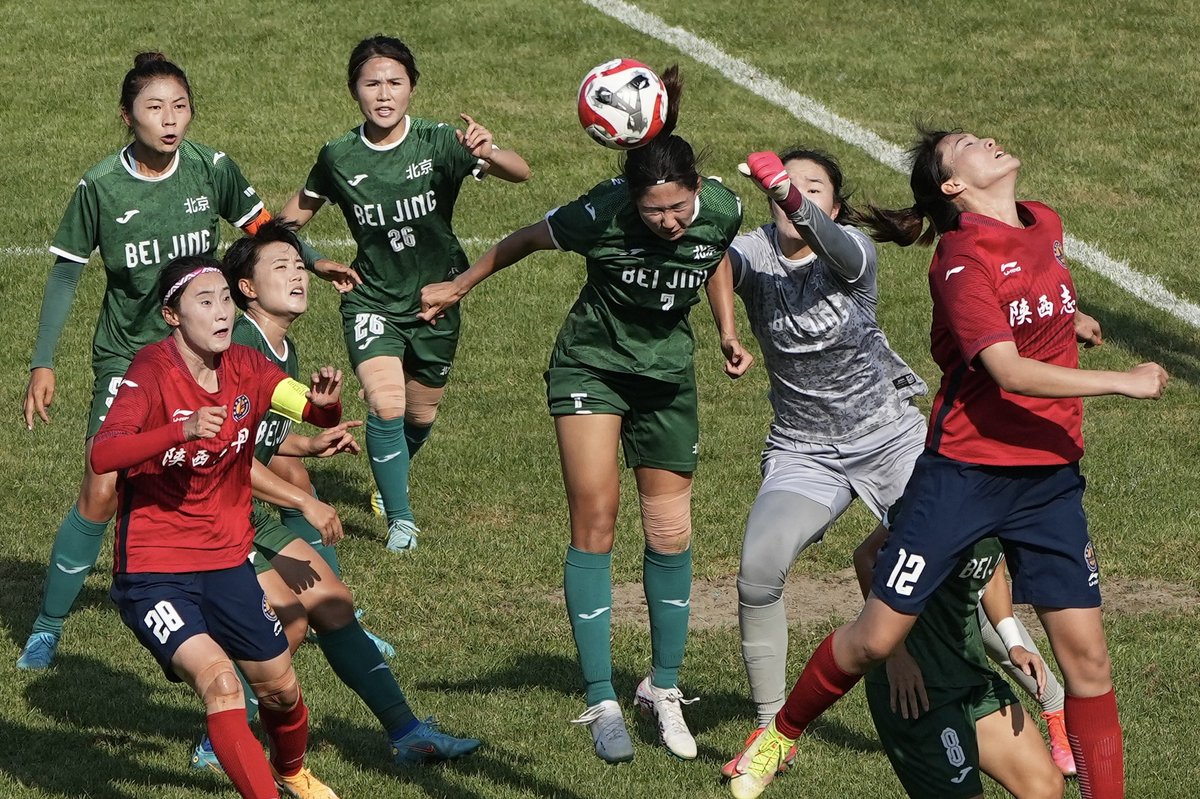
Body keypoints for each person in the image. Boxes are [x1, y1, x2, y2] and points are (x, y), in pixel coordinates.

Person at [725, 134, 1167, 799]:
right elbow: (1005, 370)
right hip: (965, 474)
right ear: (953, 186)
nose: (986, 140)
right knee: (876, 638)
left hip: (1048, 478)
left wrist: (1067, 314)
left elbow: (1031, 294)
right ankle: (781, 732)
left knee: (1090, 663)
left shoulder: (1045, 223)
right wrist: (1122, 381)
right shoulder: (960, 260)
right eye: (966, 145)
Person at [419, 65, 751, 764]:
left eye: (679, 208)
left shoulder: (721, 209)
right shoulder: (599, 212)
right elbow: (522, 239)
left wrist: (726, 329)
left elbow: (716, 253)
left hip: (666, 377)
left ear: (697, 189)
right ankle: (600, 696)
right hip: (591, 368)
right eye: (656, 211)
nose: (670, 222)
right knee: (595, 519)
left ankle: (662, 687)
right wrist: (460, 284)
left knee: (668, 529)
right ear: (633, 199)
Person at [17, 51, 347, 670]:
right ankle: (49, 622)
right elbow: (66, 275)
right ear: (127, 116)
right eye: (153, 108)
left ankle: (322, 612)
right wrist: (43, 362)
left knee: (242, 467)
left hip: (203, 356)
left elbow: (263, 227)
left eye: (180, 106)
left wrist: (311, 258)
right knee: (103, 486)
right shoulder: (101, 186)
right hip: (131, 359)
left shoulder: (210, 168)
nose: (170, 120)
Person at [188, 221, 481, 771]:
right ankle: (219, 736)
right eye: (282, 267)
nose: (299, 274)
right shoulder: (241, 345)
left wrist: (306, 442)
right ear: (246, 288)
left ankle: (407, 733)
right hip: (212, 521)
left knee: (330, 606)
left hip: (247, 513)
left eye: (300, 265)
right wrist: (304, 501)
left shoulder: (280, 347)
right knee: (291, 618)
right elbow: (226, 453)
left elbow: (256, 438)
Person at [92, 256, 344, 799]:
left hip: (228, 562)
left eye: (226, 298)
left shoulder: (247, 367)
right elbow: (104, 453)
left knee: (280, 689)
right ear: (172, 316)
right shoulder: (151, 371)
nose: (221, 311)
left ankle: (292, 770)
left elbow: (309, 410)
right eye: (204, 302)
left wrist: (326, 404)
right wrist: (177, 430)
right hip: (155, 572)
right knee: (222, 684)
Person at [279, 34, 532, 553]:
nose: (384, 93)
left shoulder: (441, 142)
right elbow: (283, 224)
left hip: (437, 301)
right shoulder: (338, 157)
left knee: (419, 416)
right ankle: (401, 521)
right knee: (387, 405)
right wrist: (314, 261)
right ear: (355, 91)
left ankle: (388, 479)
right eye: (372, 83)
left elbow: (522, 173)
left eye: (395, 82)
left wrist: (491, 151)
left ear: (412, 87)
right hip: (371, 300)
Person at [855, 526, 1064, 799]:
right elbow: (866, 556)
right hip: (918, 687)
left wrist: (1014, 644)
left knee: (1044, 787)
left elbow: (992, 573)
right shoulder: (931, 498)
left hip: (970, 673)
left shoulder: (1004, 502)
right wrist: (895, 653)